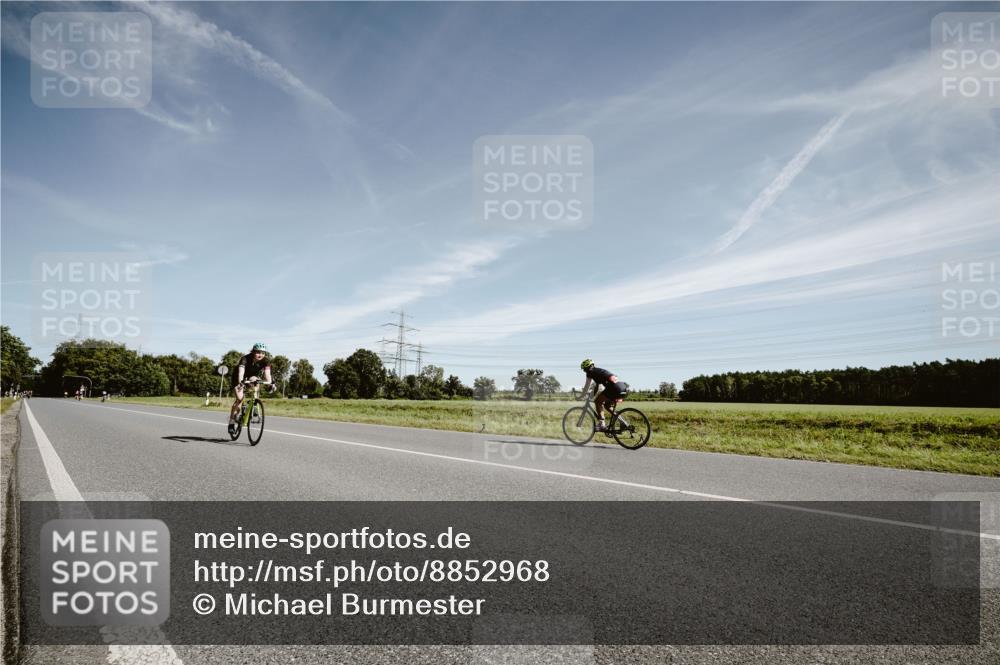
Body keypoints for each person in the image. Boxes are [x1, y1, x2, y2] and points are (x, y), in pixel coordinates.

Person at [229, 342, 275, 434]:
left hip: (252, 376)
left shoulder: (266, 361)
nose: (260, 355)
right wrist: (241, 383)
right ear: (253, 352)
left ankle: (254, 403)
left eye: (262, 353)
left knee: (257, 380)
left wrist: (271, 384)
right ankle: (231, 423)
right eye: (258, 352)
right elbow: (241, 373)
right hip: (239, 378)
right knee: (239, 399)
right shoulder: (245, 359)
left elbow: (267, 375)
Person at [579, 359, 628, 432]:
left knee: (598, 402)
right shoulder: (598, 371)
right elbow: (597, 387)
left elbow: (587, 386)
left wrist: (582, 396)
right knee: (607, 406)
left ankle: (602, 424)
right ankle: (623, 422)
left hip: (614, 388)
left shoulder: (590, 372)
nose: (584, 371)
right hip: (623, 387)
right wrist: (591, 396)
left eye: (584, 370)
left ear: (587, 368)